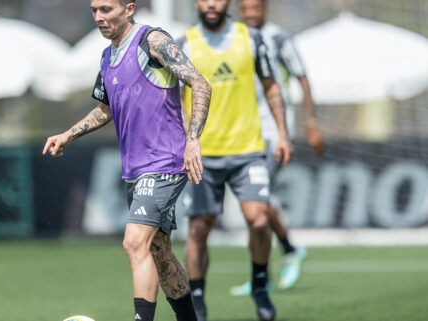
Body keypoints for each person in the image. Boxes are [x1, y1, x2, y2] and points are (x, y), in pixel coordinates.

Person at [43, 1, 212, 320]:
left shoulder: (153, 41)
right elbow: (105, 108)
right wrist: (69, 133)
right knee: (159, 253)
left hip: (165, 162)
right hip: (135, 169)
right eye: (94, 10)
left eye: (106, 9)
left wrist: (193, 141)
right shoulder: (107, 56)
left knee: (135, 242)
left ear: (129, 9)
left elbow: (200, 83)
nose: (98, 17)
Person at [178, 0, 292, 320]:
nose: (211, 3)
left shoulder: (251, 39)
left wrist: (283, 133)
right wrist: (186, 140)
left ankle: (259, 284)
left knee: (258, 218)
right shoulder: (184, 44)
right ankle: (197, 299)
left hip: (249, 151)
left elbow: (272, 85)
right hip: (203, 155)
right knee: (200, 228)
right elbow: (174, 97)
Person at [229, 0, 326, 297]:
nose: (249, 12)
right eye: (244, 7)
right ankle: (287, 250)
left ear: (265, 7)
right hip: (241, 133)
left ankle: (265, 273)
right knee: (257, 204)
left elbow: (303, 79)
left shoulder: (280, 38)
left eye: (254, 6)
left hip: (273, 132)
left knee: (256, 203)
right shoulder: (233, 38)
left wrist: (311, 123)